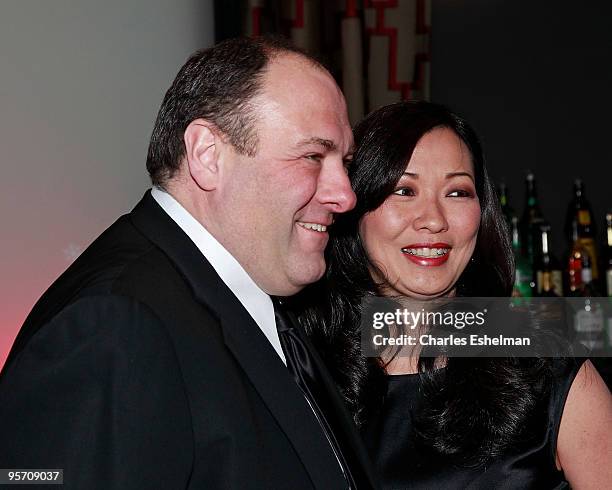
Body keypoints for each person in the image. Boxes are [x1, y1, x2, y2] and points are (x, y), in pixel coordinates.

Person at [0, 37, 379, 489]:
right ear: (207, 155)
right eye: (313, 157)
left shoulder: (250, 301)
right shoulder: (116, 326)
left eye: (345, 162)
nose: (345, 194)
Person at [296, 101, 612, 488]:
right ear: (354, 208)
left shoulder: (548, 366)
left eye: (458, 192)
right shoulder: (304, 372)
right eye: (404, 189)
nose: (434, 219)